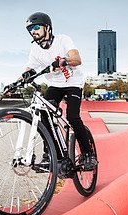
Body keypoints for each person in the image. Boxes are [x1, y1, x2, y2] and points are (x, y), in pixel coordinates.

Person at [21, 12, 97, 170]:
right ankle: (52, 154)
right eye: (30, 29)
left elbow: (77, 59)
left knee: (73, 116)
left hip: (73, 83)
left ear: (47, 27)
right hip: (55, 84)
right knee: (43, 114)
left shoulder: (63, 40)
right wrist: (15, 83)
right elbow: (29, 69)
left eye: (36, 27)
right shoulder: (35, 48)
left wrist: (63, 61)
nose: (33, 31)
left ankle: (88, 154)